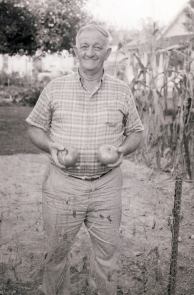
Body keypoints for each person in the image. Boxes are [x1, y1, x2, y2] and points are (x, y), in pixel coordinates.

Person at [26, 24, 144, 295]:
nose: (90, 52)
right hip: (63, 185)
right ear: (75, 51)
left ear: (108, 52)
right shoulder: (55, 88)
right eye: (84, 46)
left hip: (106, 187)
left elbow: (136, 132)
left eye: (98, 47)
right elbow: (34, 127)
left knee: (106, 256)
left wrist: (123, 150)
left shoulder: (121, 90)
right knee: (56, 255)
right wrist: (50, 145)